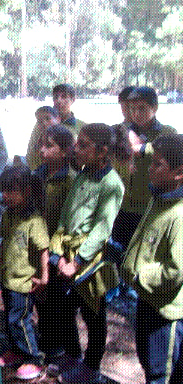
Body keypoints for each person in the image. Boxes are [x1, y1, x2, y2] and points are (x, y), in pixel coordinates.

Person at [49, 124, 126, 383]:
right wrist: (58, 252)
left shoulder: (111, 183)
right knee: (65, 309)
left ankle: (91, 368)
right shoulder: (82, 174)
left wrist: (78, 261)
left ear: (102, 151)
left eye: (83, 145)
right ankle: (72, 357)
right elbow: (65, 215)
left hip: (92, 262)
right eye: (77, 143)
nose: (76, 149)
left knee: (94, 315)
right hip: (67, 256)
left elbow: (101, 229)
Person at [121, 134, 183, 384]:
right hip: (147, 299)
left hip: (166, 312)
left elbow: (175, 269)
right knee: (148, 362)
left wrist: (139, 276)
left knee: (161, 374)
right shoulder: (159, 197)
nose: (151, 169)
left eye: (158, 165)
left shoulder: (178, 214)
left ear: (179, 173)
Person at [0, 165, 49, 380]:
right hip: (8, 278)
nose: (6, 196)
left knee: (20, 320)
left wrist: (44, 276)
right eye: (3, 191)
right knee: (9, 317)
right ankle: (15, 351)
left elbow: (43, 250)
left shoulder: (35, 221)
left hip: (24, 282)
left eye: (11, 191)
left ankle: (34, 358)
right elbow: (4, 243)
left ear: (27, 191)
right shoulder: (9, 216)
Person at [113, 87, 177, 252]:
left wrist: (141, 148)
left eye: (142, 108)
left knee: (144, 252)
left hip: (151, 206)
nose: (136, 113)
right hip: (123, 205)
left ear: (154, 108)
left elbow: (170, 152)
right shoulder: (122, 131)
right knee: (118, 251)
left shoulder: (167, 132)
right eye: (132, 109)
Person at [32, 125, 76, 360]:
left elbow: (70, 220)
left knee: (58, 301)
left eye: (49, 146)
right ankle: (47, 341)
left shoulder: (70, 180)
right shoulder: (38, 174)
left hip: (58, 250)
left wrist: (60, 252)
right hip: (38, 246)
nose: (42, 150)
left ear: (65, 151)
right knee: (40, 295)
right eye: (41, 144)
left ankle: (59, 349)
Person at [26, 106, 60, 170]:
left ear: (58, 119)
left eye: (48, 118)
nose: (44, 123)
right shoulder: (38, 139)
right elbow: (30, 159)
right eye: (40, 121)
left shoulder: (63, 139)